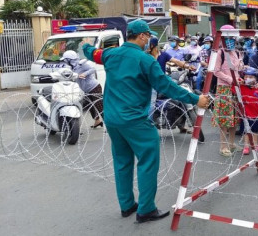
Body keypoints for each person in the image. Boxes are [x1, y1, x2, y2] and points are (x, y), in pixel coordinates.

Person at [82, 20, 205, 223]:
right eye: (148, 35)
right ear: (141, 36)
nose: (149, 40)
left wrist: (86, 44)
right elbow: (166, 85)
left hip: (112, 119)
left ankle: (127, 205)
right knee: (148, 159)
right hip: (134, 120)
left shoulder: (111, 54)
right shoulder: (145, 60)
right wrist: (195, 99)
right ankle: (146, 209)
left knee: (122, 161)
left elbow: (91, 53)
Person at [212, 25, 244, 157]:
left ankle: (231, 144)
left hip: (236, 89)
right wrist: (230, 79)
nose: (230, 40)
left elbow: (238, 69)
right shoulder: (219, 53)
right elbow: (216, 71)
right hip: (224, 89)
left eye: (232, 37)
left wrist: (241, 70)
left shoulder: (235, 52)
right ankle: (223, 147)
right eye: (227, 38)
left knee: (234, 118)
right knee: (224, 119)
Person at [60, 50, 103, 128]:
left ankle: (109, 126)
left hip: (94, 87)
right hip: (85, 90)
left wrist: (84, 74)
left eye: (66, 60)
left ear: (70, 59)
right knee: (91, 107)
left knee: (99, 106)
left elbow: (93, 69)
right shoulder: (71, 68)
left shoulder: (81, 64)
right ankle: (97, 121)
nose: (65, 61)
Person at [239, 67, 258, 155]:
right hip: (245, 113)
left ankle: (255, 145)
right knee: (247, 131)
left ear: (256, 79)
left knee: (255, 131)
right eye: (246, 76)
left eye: (251, 77)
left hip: (256, 113)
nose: (248, 78)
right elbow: (233, 85)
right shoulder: (241, 86)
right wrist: (240, 81)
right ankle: (246, 146)